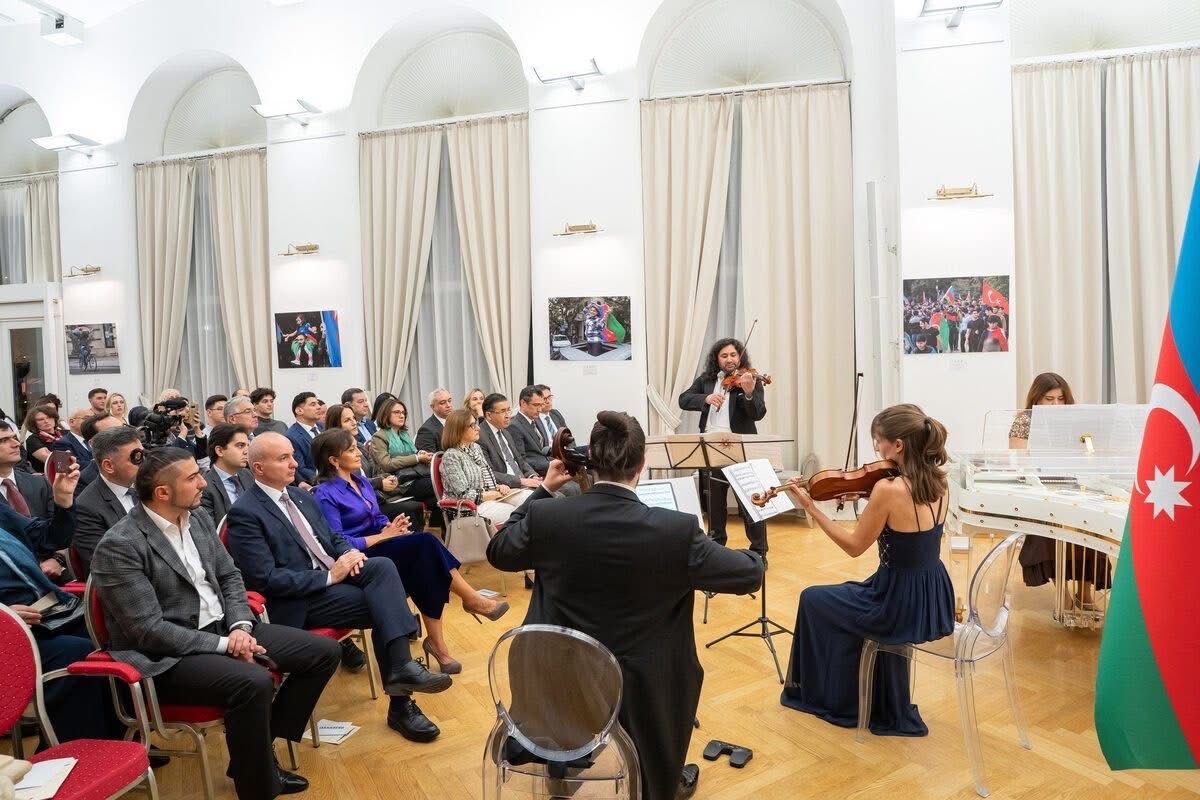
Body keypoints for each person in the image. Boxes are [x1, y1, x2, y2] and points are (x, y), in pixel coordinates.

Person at [487, 411, 763, 800]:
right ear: (641, 463)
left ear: (591, 460)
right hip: (641, 687)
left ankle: (561, 765)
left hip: (557, 678)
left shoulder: (548, 516)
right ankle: (660, 780)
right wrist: (754, 543)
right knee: (671, 669)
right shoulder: (676, 531)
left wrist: (544, 489)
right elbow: (749, 575)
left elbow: (499, 550)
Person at [89, 447, 340, 799]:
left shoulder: (199, 518)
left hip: (226, 628)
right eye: (192, 478)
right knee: (254, 682)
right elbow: (148, 630)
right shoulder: (120, 545)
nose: (204, 483)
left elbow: (230, 577)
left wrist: (240, 627)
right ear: (163, 492)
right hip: (168, 656)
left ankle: (255, 750)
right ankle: (258, 785)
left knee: (324, 653)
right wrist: (226, 645)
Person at [225, 432, 452, 743]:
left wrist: (349, 553)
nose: (294, 464)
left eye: (292, 456)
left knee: (383, 568)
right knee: (385, 603)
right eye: (283, 459)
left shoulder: (301, 496)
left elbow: (332, 538)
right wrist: (330, 577)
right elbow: (266, 579)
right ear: (259, 468)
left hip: (332, 580)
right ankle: (401, 700)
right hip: (299, 599)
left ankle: (401, 671)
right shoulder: (245, 512)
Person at [780, 404, 955, 736]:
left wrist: (810, 507)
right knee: (842, 599)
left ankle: (838, 699)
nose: (876, 449)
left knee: (813, 599)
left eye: (878, 441)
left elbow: (853, 547)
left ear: (898, 445)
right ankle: (875, 698)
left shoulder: (888, 490)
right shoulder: (939, 483)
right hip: (930, 593)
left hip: (894, 603)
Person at [312, 429, 509, 673]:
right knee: (425, 546)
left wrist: (392, 527)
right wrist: (383, 536)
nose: (359, 453)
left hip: (382, 546)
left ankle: (440, 641)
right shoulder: (325, 494)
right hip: (360, 560)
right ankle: (468, 603)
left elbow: (377, 517)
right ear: (333, 460)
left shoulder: (360, 482)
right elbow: (337, 543)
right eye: (351, 450)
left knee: (425, 564)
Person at [1008, 373, 1110, 597]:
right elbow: (1019, 461)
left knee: (1092, 526)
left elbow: (1089, 452)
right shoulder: (1025, 420)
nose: (1056, 404)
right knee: (1049, 530)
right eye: (1049, 399)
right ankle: (1061, 592)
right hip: (1040, 488)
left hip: (1074, 484)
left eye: (1060, 399)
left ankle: (1085, 592)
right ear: (1037, 398)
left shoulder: (1075, 420)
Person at [678, 338, 770, 565]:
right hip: (710, 447)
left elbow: (758, 413)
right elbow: (683, 399)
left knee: (751, 502)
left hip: (739, 446)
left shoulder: (750, 379)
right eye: (724, 355)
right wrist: (706, 398)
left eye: (733, 355)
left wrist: (749, 393)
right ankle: (716, 549)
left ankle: (759, 551)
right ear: (717, 359)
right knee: (714, 504)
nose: (729, 359)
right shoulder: (706, 380)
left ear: (740, 357)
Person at [439, 409, 531, 527]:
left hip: (489, 498)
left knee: (529, 498)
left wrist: (498, 486)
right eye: (472, 425)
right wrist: (495, 493)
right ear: (459, 429)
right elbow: (465, 496)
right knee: (517, 513)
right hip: (468, 508)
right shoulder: (451, 456)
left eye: (476, 424)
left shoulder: (476, 448)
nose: (478, 428)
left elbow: (484, 480)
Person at [72, 426, 144, 577]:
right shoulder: (86, 507)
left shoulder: (149, 486)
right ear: (109, 466)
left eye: (144, 454)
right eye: (136, 458)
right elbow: (106, 562)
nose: (144, 462)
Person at [368, 397, 437, 508]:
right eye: (397, 412)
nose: (401, 416)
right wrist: (417, 458)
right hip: (398, 482)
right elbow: (387, 464)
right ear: (386, 414)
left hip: (415, 476)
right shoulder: (379, 437)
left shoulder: (404, 434)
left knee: (436, 500)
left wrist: (421, 454)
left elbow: (411, 454)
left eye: (403, 413)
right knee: (436, 483)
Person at [478, 393, 543, 490]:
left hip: (524, 483)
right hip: (507, 488)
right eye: (502, 411)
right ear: (489, 415)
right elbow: (489, 473)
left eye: (508, 410)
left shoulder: (506, 432)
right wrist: (521, 481)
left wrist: (532, 475)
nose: (508, 416)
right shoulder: (480, 436)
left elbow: (520, 460)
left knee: (557, 492)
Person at [202, 423, 253, 522]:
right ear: (220, 451)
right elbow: (210, 527)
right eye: (240, 446)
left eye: (247, 446)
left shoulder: (248, 475)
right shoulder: (205, 486)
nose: (246, 451)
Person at [507, 386, 552, 475]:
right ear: (523, 403)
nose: (539, 409)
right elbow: (521, 460)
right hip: (536, 473)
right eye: (535, 405)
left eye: (541, 405)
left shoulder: (537, 420)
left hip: (549, 468)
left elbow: (543, 450)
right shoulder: (514, 426)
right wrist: (551, 465)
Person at [285, 392, 323, 486]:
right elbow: (301, 468)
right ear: (299, 411)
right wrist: (326, 478)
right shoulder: (291, 436)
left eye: (318, 404)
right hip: (317, 482)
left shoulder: (323, 427)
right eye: (313, 404)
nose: (319, 407)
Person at [22, 404, 62, 473]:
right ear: (34, 423)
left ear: (54, 418)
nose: (46, 421)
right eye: (40, 419)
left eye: (49, 417)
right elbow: (50, 459)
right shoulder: (33, 439)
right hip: (47, 476)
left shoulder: (65, 434)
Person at [414, 388, 454, 453]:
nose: (448, 405)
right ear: (433, 407)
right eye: (442, 403)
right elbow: (429, 458)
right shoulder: (426, 431)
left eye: (449, 401)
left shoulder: (457, 422)